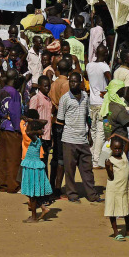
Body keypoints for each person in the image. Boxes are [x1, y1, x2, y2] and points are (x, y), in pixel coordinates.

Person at [57, 71, 99, 202]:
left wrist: (90, 134)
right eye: (71, 81)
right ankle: (72, 194)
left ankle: (92, 195)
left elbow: (87, 116)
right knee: (70, 170)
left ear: (80, 82)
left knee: (87, 169)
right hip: (69, 139)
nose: (73, 84)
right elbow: (60, 120)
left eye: (75, 81)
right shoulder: (64, 99)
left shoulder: (85, 96)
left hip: (83, 139)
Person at [20, 118, 54, 222]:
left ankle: (34, 217)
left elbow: (28, 131)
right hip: (34, 167)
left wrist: (32, 125)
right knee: (32, 194)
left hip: (32, 169)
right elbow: (44, 121)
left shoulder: (34, 138)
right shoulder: (37, 138)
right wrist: (32, 121)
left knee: (32, 194)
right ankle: (40, 210)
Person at [0, 71, 24, 194]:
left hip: (3, 128)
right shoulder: (14, 93)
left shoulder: (2, 91)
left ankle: (3, 184)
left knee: (4, 158)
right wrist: (18, 129)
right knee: (14, 158)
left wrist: (3, 116)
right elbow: (15, 113)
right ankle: (13, 186)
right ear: (16, 78)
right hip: (13, 129)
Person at [104, 135, 129, 240]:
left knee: (127, 208)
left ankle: (128, 230)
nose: (117, 150)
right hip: (114, 188)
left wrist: (116, 135)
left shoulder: (124, 155)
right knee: (112, 209)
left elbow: (128, 142)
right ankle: (116, 231)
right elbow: (111, 176)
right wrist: (107, 167)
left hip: (125, 187)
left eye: (119, 148)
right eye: (115, 148)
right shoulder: (110, 160)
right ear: (111, 148)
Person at [86, 45, 111, 166]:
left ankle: (92, 157)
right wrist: (108, 91)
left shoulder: (89, 65)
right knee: (101, 131)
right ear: (105, 53)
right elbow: (111, 81)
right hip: (102, 104)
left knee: (94, 130)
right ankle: (96, 160)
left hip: (92, 103)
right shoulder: (105, 66)